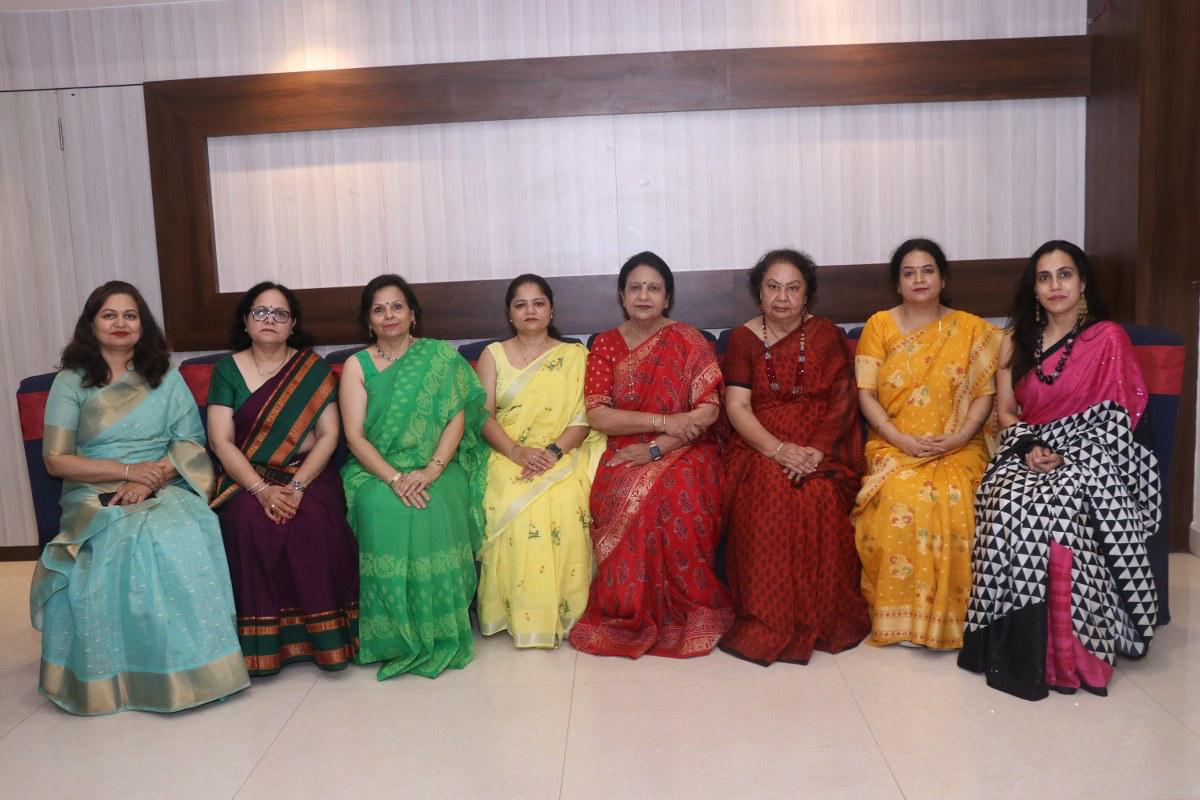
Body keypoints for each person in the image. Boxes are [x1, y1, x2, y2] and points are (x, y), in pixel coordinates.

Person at [32, 281, 249, 714]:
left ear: (143, 325)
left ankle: (195, 669)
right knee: (120, 541)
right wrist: (126, 472)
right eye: (109, 315)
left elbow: (189, 443)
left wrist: (149, 480)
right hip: (93, 488)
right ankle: (120, 674)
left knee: (181, 530)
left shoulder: (164, 376)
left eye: (130, 315)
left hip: (163, 480)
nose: (121, 323)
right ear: (91, 324)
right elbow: (56, 460)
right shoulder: (71, 381)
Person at [959, 240, 1159, 700]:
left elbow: (1121, 419)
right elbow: (1006, 412)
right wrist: (1031, 445)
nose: (1055, 286)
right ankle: (1010, 647)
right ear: (1034, 288)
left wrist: (1071, 454)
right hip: (1024, 448)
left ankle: (1068, 654)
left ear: (1082, 282)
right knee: (1006, 502)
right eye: (1044, 277)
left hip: (1095, 456)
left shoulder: (1107, 339)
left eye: (1065, 275)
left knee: (1059, 505)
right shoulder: (1015, 340)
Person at [568, 251, 733, 658]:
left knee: (680, 493)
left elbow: (708, 411)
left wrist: (658, 446)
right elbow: (599, 414)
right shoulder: (605, 345)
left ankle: (690, 611)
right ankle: (627, 610)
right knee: (620, 489)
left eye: (654, 288)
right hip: (625, 447)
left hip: (687, 448)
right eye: (635, 288)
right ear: (622, 296)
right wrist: (663, 422)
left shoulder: (689, 340)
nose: (644, 296)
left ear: (667, 297)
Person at [721, 249, 869, 665]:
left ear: (807, 295)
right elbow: (737, 407)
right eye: (773, 287)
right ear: (759, 293)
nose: (782, 297)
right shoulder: (743, 339)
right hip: (759, 444)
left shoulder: (824, 335)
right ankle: (767, 619)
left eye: (792, 288)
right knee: (771, 490)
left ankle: (819, 619)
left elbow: (843, 400)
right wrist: (779, 450)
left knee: (818, 495)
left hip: (821, 444)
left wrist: (816, 452)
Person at [852, 238, 1001, 649]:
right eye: (909, 272)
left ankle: (959, 618)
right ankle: (902, 617)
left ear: (943, 278)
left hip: (960, 444)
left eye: (927, 270)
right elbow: (866, 394)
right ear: (897, 284)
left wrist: (959, 437)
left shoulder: (971, 329)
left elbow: (985, 393)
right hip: (892, 443)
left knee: (958, 495)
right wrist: (899, 438)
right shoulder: (879, 325)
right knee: (903, 495)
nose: (919, 279)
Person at [339, 274, 488, 679]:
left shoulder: (440, 357)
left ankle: (441, 628)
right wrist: (393, 478)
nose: (389, 315)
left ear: (412, 315)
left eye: (397, 306)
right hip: (375, 468)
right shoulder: (357, 365)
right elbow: (354, 437)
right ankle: (393, 636)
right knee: (382, 507)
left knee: (433, 506)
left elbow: (457, 418)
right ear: (368, 320)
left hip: (438, 464)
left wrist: (431, 469)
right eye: (379, 309)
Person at [207, 282, 359, 676]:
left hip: (307, 472)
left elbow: (329, 436)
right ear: (245, 321)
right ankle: (263, 648)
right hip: (247, 475)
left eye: (280, 313)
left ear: (293, 325)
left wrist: (296, 486)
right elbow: (220, 441)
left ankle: (326, 641)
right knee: (247, 520)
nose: (269, 320)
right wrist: (260, 490)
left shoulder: (312, 370)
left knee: (313, 519)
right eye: (260, 312)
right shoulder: (226, 370)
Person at [475, 274, 604, 648]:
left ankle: (567, 610)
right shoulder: (493, 355)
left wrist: (552, 453)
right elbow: (483, 416)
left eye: (538, 303)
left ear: (551, 310)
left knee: (565, 498)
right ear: (509, 314)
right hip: (506, 451)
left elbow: (583, 417)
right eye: (521, 304)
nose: (530, 310)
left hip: (563, 451)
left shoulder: (575, 355)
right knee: (507, 495)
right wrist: (515, 451)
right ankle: (515, 611)